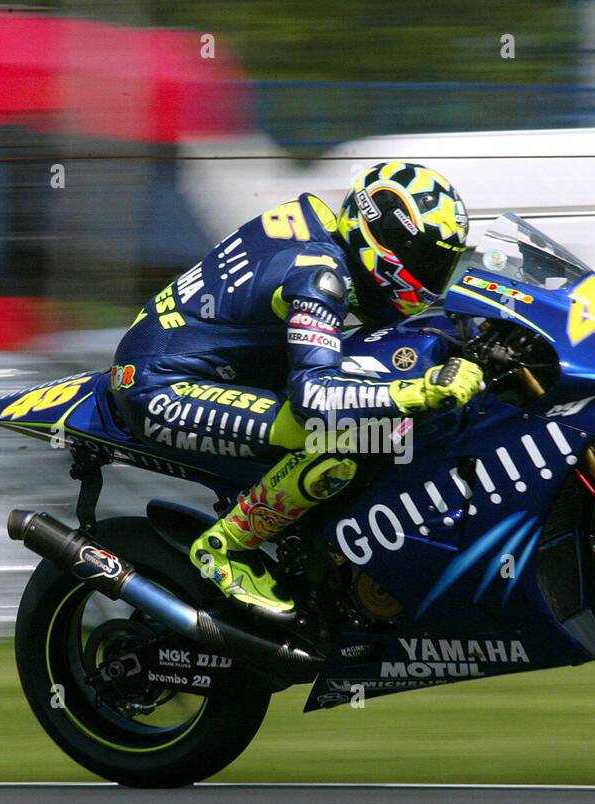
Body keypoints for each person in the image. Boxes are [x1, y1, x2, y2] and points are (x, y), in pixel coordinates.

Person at [111, 162, 482, 614]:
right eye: (426, 259)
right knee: (344, 437)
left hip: (210, 370)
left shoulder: (326, 243)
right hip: (162, 389)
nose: (430, 276)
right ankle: (225, 548)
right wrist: (420, 391)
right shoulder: (319, 273)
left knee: (369, 406)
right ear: (384, 238)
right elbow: (314, 398)